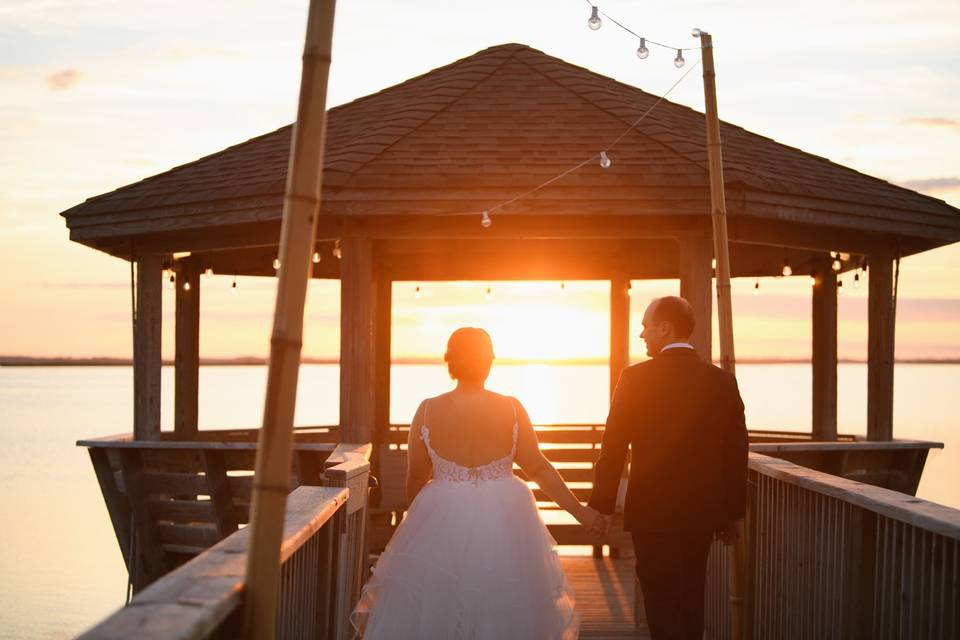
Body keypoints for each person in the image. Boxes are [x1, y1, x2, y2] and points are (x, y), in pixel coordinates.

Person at [352, 327, 600, 639]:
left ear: (449, 361)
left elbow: (416, 475)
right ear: (490, 361)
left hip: (442, 516)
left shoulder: (427, 409)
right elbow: (537, 466)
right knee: (504, 599)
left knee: (440, 599)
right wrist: (579, 511)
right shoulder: (511, 407)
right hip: (507, 517)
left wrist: (418, 527)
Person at [587, 296, 748, 640]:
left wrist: (600, 507)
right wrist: (732, 514)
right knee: (692, 595)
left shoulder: (634, 378)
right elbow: (735, 452)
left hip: (652, 514)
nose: (641, 334)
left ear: (665, 327)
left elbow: (613, 446)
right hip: (703, 513)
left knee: (661, 601)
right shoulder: (722, 381)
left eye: (645, 325)